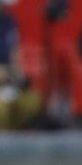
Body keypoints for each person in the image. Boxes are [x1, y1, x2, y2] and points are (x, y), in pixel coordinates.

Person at [0, 1, 43, 130]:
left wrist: (19, 76)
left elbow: (15, 53)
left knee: (35, 102)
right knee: (4, 109)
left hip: (9, 79)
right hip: (3, 77)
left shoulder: (9, 21)